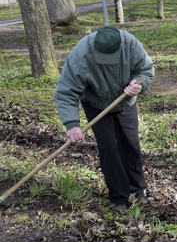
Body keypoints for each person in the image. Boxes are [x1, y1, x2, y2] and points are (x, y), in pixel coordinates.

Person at [55, 26, 155, 212]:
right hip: (95, 103)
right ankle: (118, 198)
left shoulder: (131, 44)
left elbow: (146, 70)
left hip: (125, 101)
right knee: (109, 146)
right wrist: (72, 124)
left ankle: (138, 188)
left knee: (130, 143)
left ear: (121, 44)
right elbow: (66, 92)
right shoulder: (80, 55)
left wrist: (139, 85)